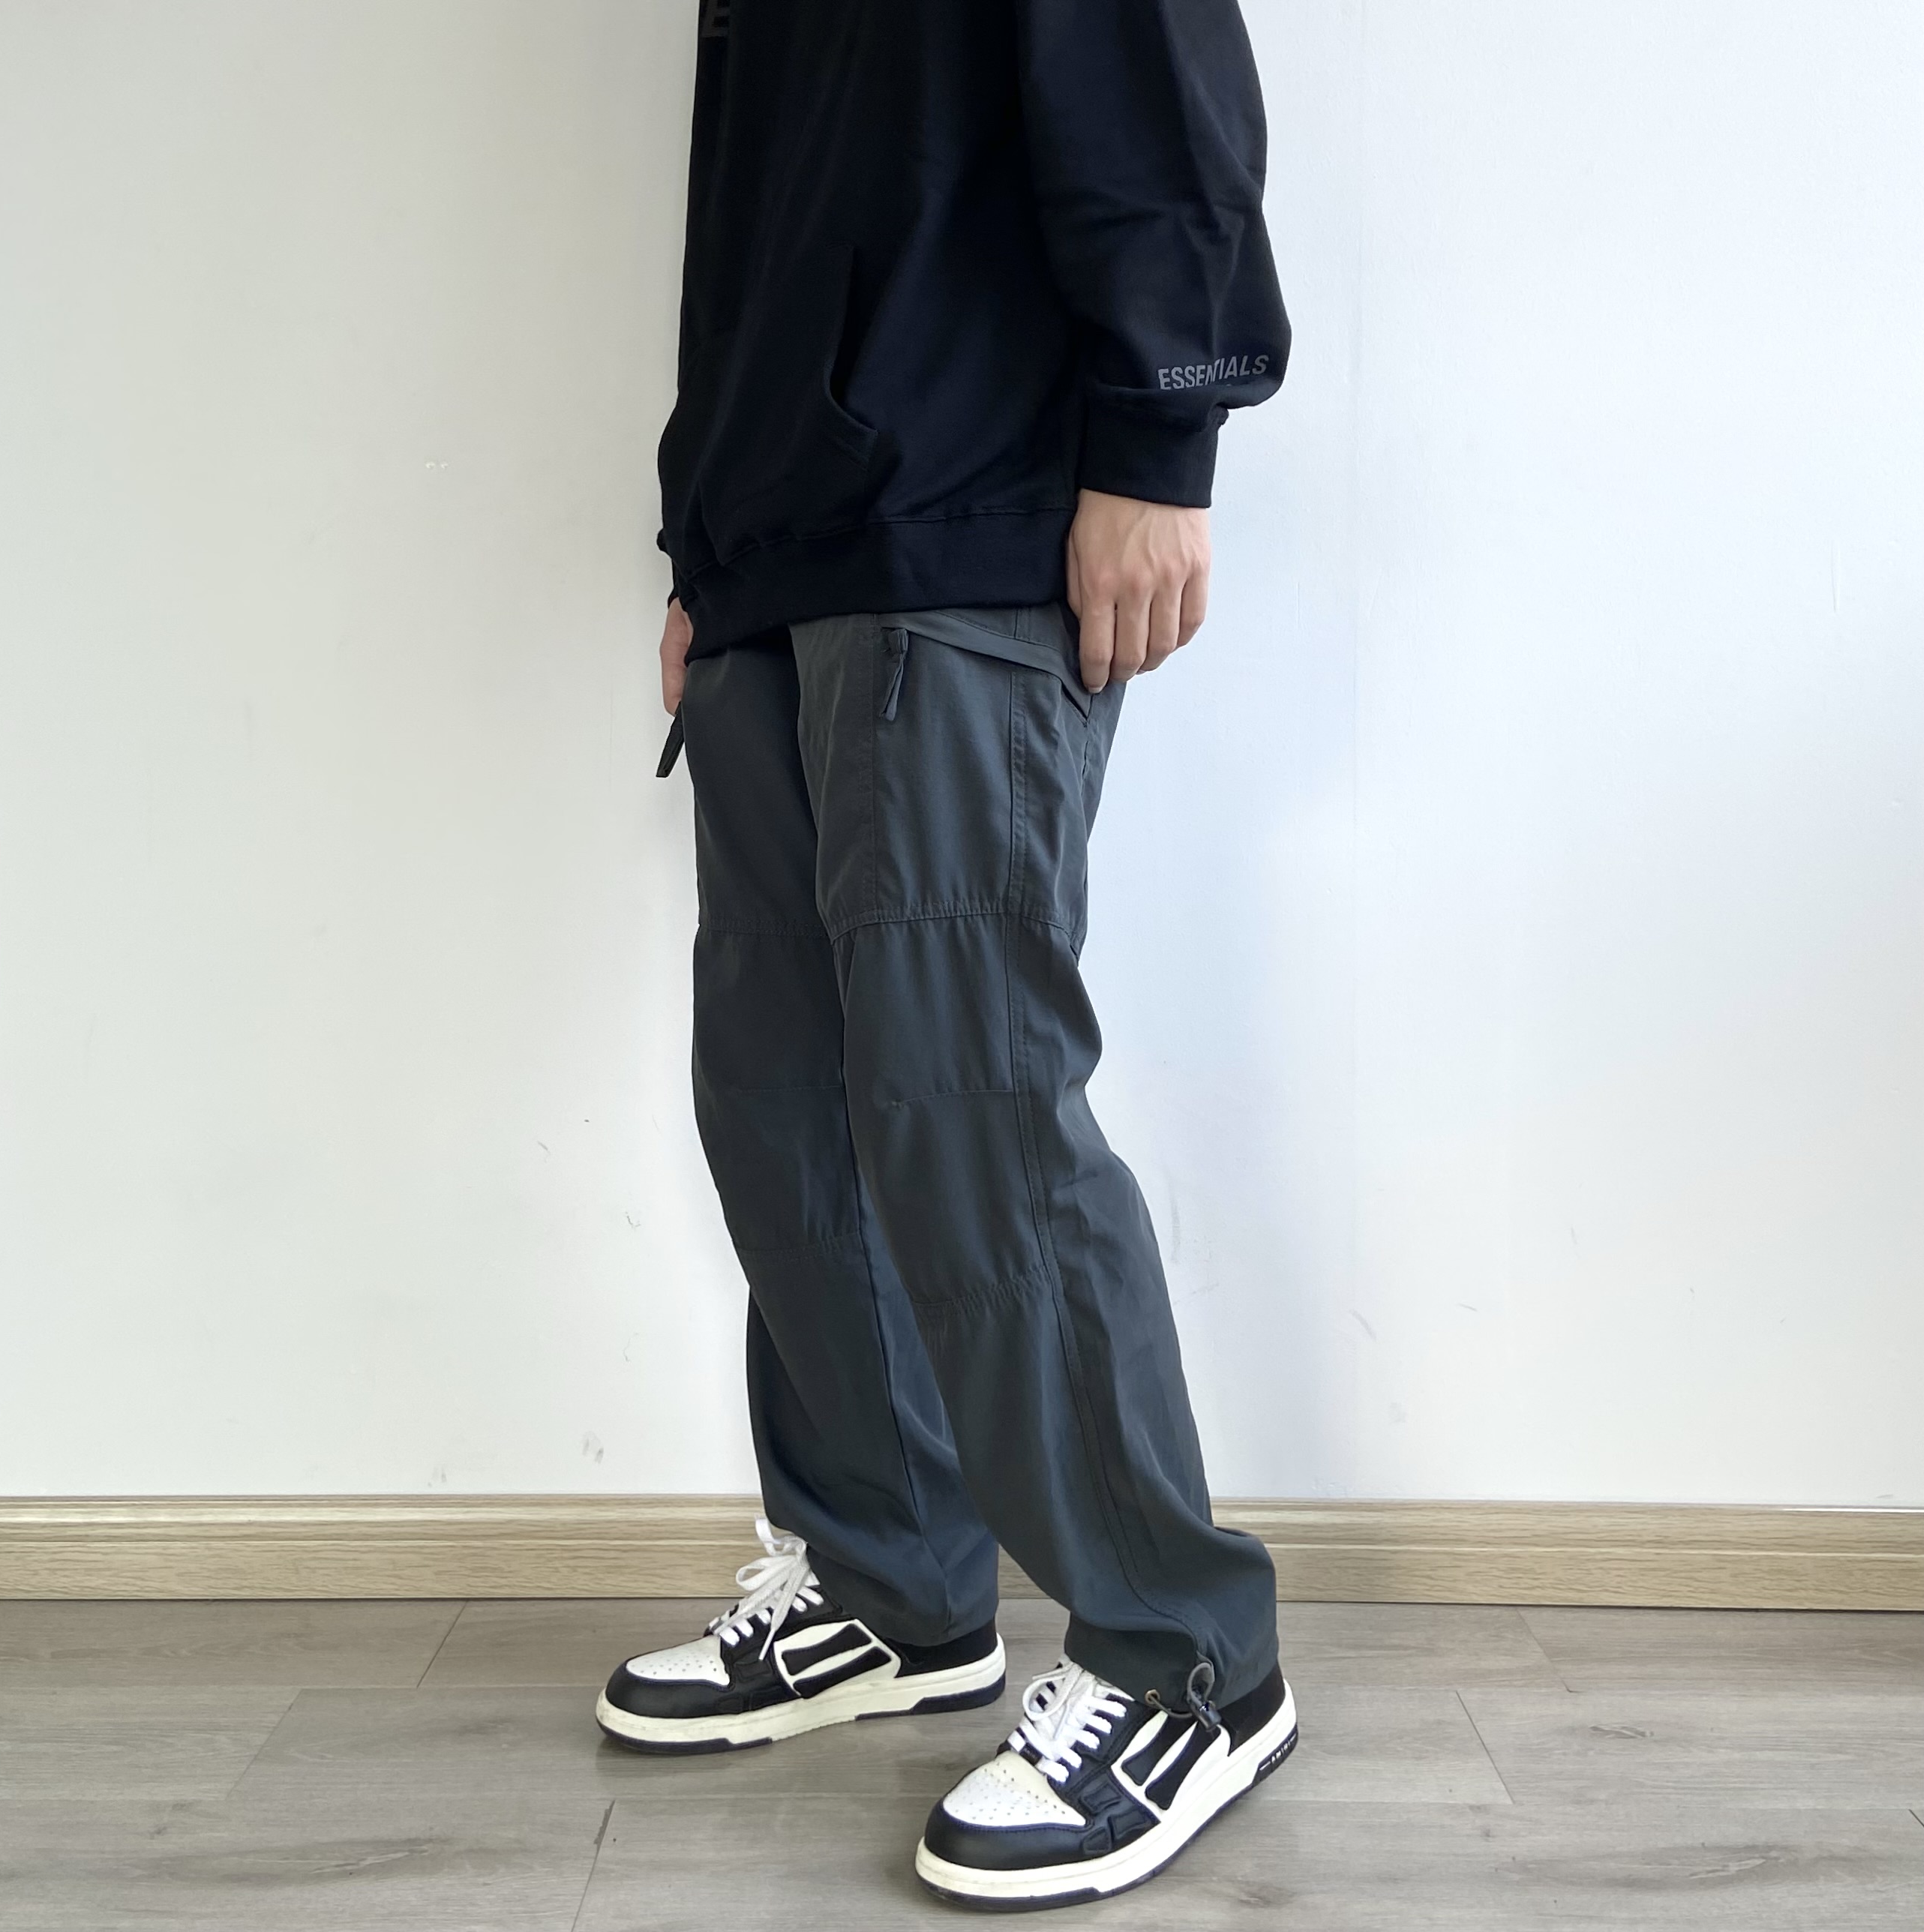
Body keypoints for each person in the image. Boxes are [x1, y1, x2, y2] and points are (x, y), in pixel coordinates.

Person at [596, 0, 1296, 1906]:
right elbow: (754, 213)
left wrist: (1160, 438)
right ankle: (892, 1578)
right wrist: (705, 544)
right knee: (778, 1101)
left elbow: (1152, 79)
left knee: (964, 1100)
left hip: (970, 514)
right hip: (779, 551)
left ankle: (1184, 1653)